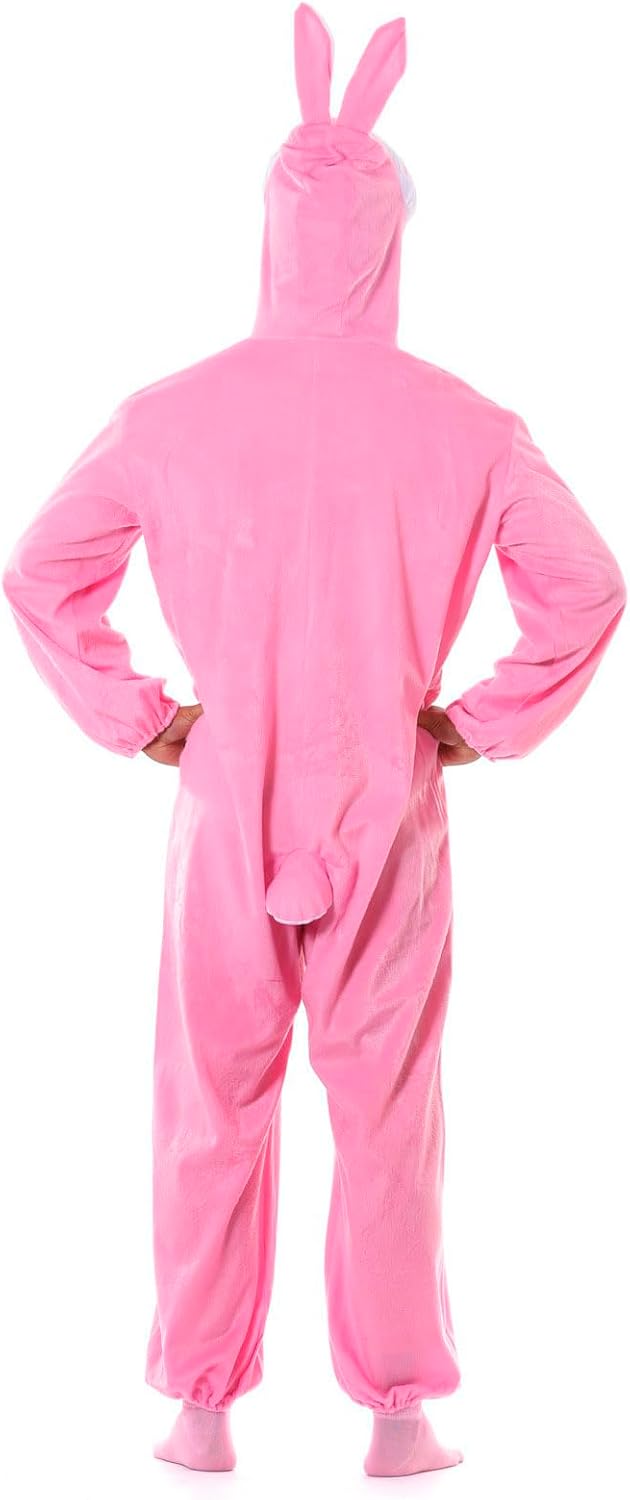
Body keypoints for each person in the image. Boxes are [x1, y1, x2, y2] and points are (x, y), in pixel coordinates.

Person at [2, 4, 626, 1481]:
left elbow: (41, 572)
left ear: (269, 233)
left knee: (207, 1104)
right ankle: (398, 1414)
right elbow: (588, 589)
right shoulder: (467, 424)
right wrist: (473, 724)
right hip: (383, 806)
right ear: (392, 239)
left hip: (228, 803)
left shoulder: (170, 412)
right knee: (388, 1109)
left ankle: (198, 1406)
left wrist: (144, 717)